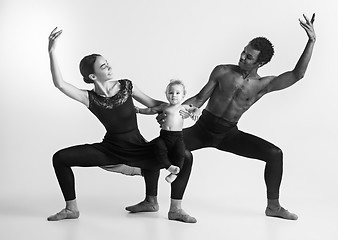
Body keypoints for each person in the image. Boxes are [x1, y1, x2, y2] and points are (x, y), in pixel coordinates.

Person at [158, 13, 316, 220]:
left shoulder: (263, 85)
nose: (242, 57)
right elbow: (198, 99)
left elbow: (297, 75)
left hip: (228, 135)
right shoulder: (222, 71)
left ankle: (273, 207)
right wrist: (171, 113)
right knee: (157, 148)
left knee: (275, 154)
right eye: (243, 52)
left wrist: (311, 41)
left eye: (249, 57)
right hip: (202, 129)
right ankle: (161, 204)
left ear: (260, 63)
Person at [47, 27, 197, 223]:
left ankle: (173, 209)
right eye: (103, 66)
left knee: (185, 155)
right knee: (60, 158)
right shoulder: (88, 97)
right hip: (111, 148)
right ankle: (71, 209)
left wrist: (179, 109)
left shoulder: (126, 86)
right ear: (92, 76)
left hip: (138, 145)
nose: (109, 67)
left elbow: (153, 104)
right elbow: (60, 84)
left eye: (107, 63)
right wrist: (52, 51)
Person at [135, 80, 200, 183]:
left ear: (183, 95)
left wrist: (197, 112)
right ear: (166, 94)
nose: (174, 95)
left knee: (181, 152)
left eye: (178, 93)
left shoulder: (183, 107)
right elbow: (152, 110)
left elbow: (195, 109)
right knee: (159, 147)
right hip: (164, 136)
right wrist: (139, 110)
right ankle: (168, 166)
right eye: (171, 92)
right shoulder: (164, 106)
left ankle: (175, 173)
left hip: (177, 137)